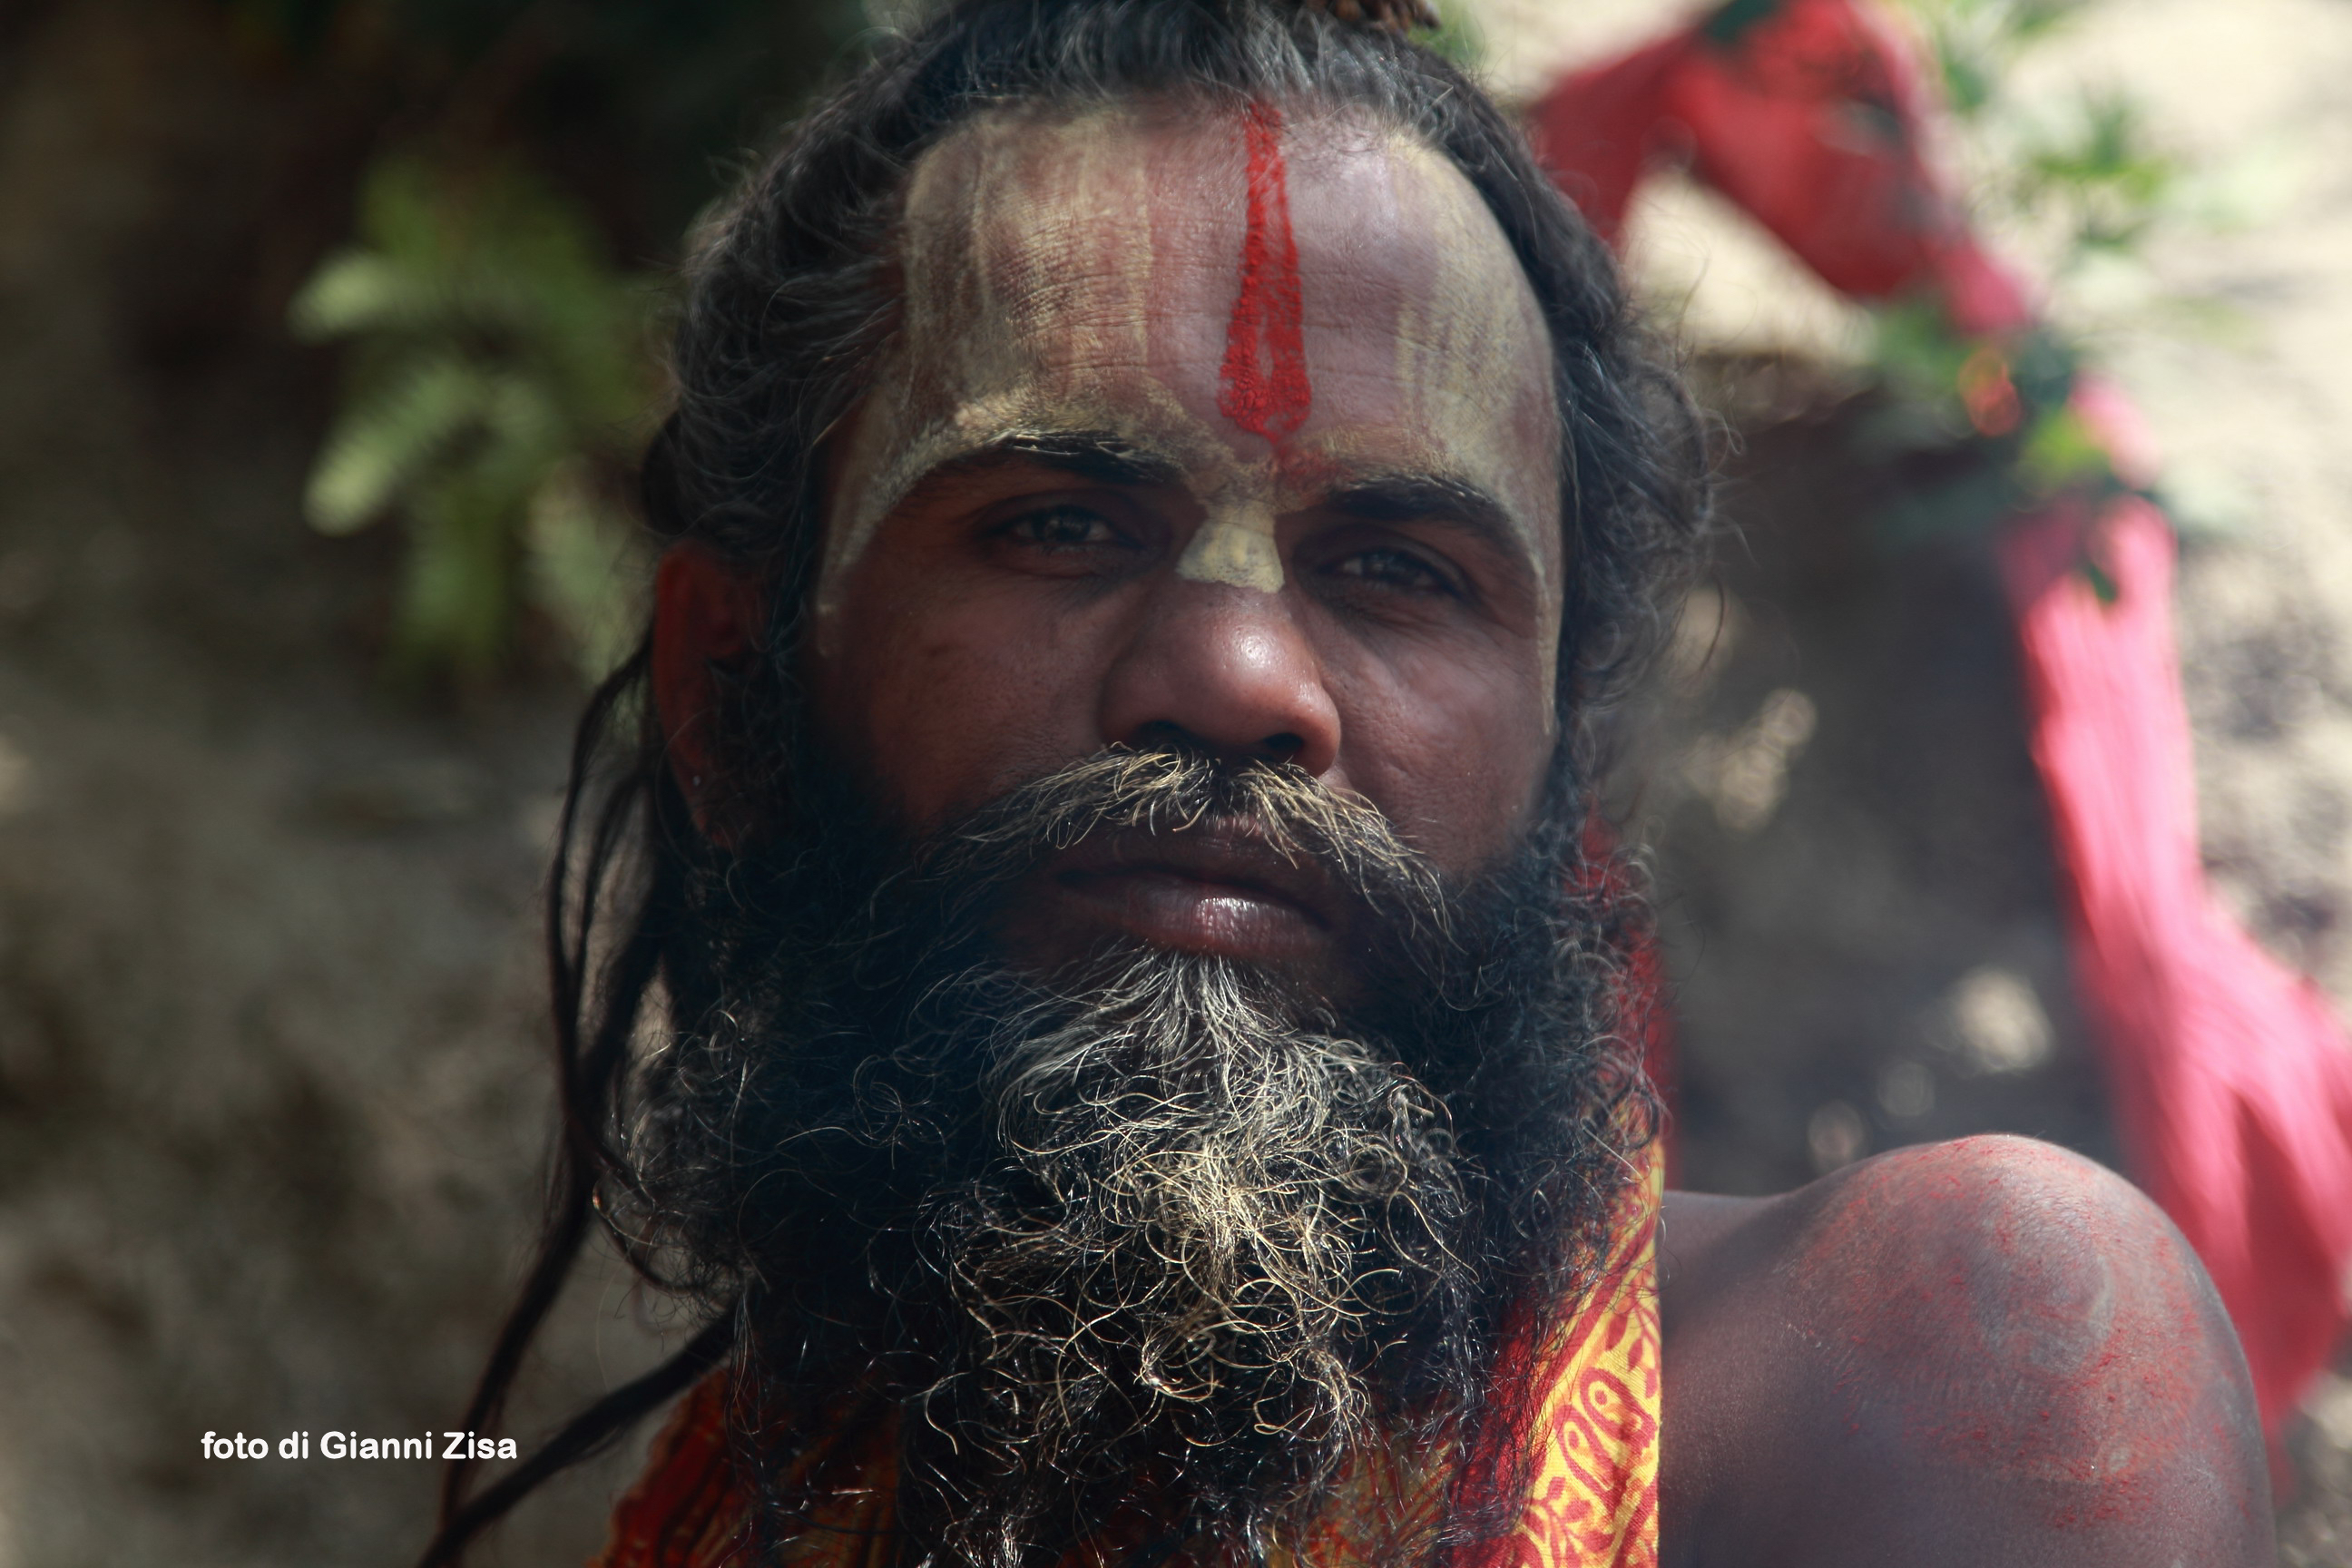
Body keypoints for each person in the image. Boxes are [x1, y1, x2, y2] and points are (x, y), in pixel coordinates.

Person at [422, 1, 2273, 1563]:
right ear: (727, 689)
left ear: (1563, 758)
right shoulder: (774, 1487)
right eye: (1057, 524)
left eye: (1401, 570)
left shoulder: (1946, 1368)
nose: (1234, 679)